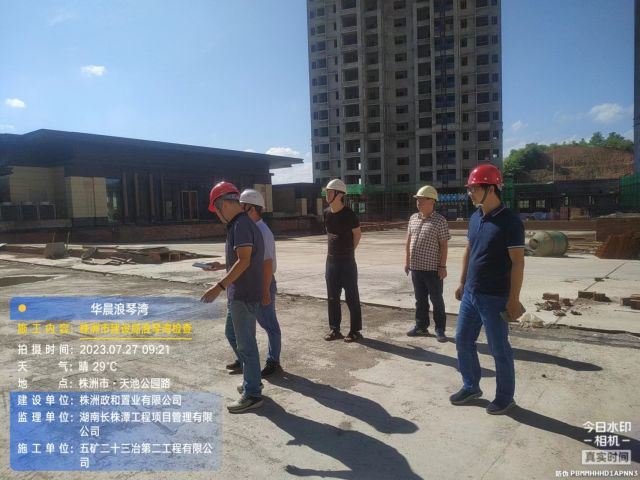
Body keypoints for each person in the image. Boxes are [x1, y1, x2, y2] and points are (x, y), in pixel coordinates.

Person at [450, 164, 525, 415]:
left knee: (498, 348)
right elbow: (469, 250)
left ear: (491, 188)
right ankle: (471, 386)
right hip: (471, 294)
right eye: (469, 189)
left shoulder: (510, 222)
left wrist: (513, 299)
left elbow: (518, 262)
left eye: (474, 188)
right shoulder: (475, 217)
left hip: (495, 297)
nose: (470, 193)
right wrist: (463, 282)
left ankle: (505, 397)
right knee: (462, 340)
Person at [201, 181, 265, 413]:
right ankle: (252, 379)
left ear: (223, 205)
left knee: (246, 344)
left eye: (216, 212)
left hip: (244, 295)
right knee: (232, 334)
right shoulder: (242, 224)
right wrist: (221, 265)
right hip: (240, 293)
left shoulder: (240, 226)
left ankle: (253, 393)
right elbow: (241, 259)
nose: (218, 217)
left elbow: (245, 261)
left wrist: (219, 286)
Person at [238, 188, 283, 377]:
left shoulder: (262, 231)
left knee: (269, 324)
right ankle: (243, 358)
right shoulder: (251, 229)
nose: (240, 210)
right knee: (248, 324)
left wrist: (265, 292)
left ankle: (273, 361)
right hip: (253, 284)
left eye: (242, 207)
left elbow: (267, 264)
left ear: (252, 208)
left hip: (264, 283)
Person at [404, 185, 450, 342]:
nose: (418, 203)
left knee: (437, 300)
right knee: (420, 300)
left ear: (432, 201)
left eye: (422, 200)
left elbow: (444, 245)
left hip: (433, 270)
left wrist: (442, 267)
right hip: (416, 268)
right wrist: (407, 261)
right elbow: (408, 241)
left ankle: (440, 329)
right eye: (417, 200)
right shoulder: (413, 218)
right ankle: (421, 326)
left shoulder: (440, 221)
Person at [322, 178, 363, 343]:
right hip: (331, 262)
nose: (327, 195)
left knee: (352, 297)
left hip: (347, 263)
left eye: (330, 192)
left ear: (339, 195)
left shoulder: (349, 214)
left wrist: (348, 251)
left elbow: (357, 235)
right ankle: (334, 329)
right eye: (326, 192)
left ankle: (355, 331)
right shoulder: (326, 213)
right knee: (332, 297)